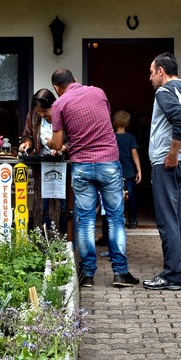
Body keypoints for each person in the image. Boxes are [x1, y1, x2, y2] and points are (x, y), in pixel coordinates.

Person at [47, 68, 139, 288]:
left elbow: (58, 145)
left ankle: (87, 275)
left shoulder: (59, 104)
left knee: (86, 220)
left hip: (82, 167)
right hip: (108, 163)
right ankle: (120, 273)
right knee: (115, 218)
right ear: (76, 80)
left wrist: (50, 142)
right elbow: (99, 123)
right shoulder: (99, 92)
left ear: (56, 89)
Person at [144, 52, 181, 292]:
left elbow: (180, 121)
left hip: (168, 163)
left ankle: (172, 276)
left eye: (151, 72)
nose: (150, 78)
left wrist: (172, 154)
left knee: (167, 220)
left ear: (161, 72)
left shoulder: (165, 92)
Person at [20, 88, 65, 230]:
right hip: (41, 165)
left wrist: (63, 148)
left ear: (53, 106)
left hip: (62, 166)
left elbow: (74, 138)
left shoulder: (63, 114)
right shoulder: (34, 115)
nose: (41, 114)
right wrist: (26, 143)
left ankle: (61, 237)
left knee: (61, 203)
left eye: (44, 112)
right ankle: (43, 237)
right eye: (39, 112)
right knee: (42, 202)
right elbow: (27, 134)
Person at [113, 110, 141, 228]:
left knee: (115, 196)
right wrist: (139, 170)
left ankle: (118, 219)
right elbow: (135, 154)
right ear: (128, 124)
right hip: (129, 172)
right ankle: (133, 220)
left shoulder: (111, 137)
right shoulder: (130, 138)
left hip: (114, 171)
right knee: (130, 196)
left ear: (114, 122)